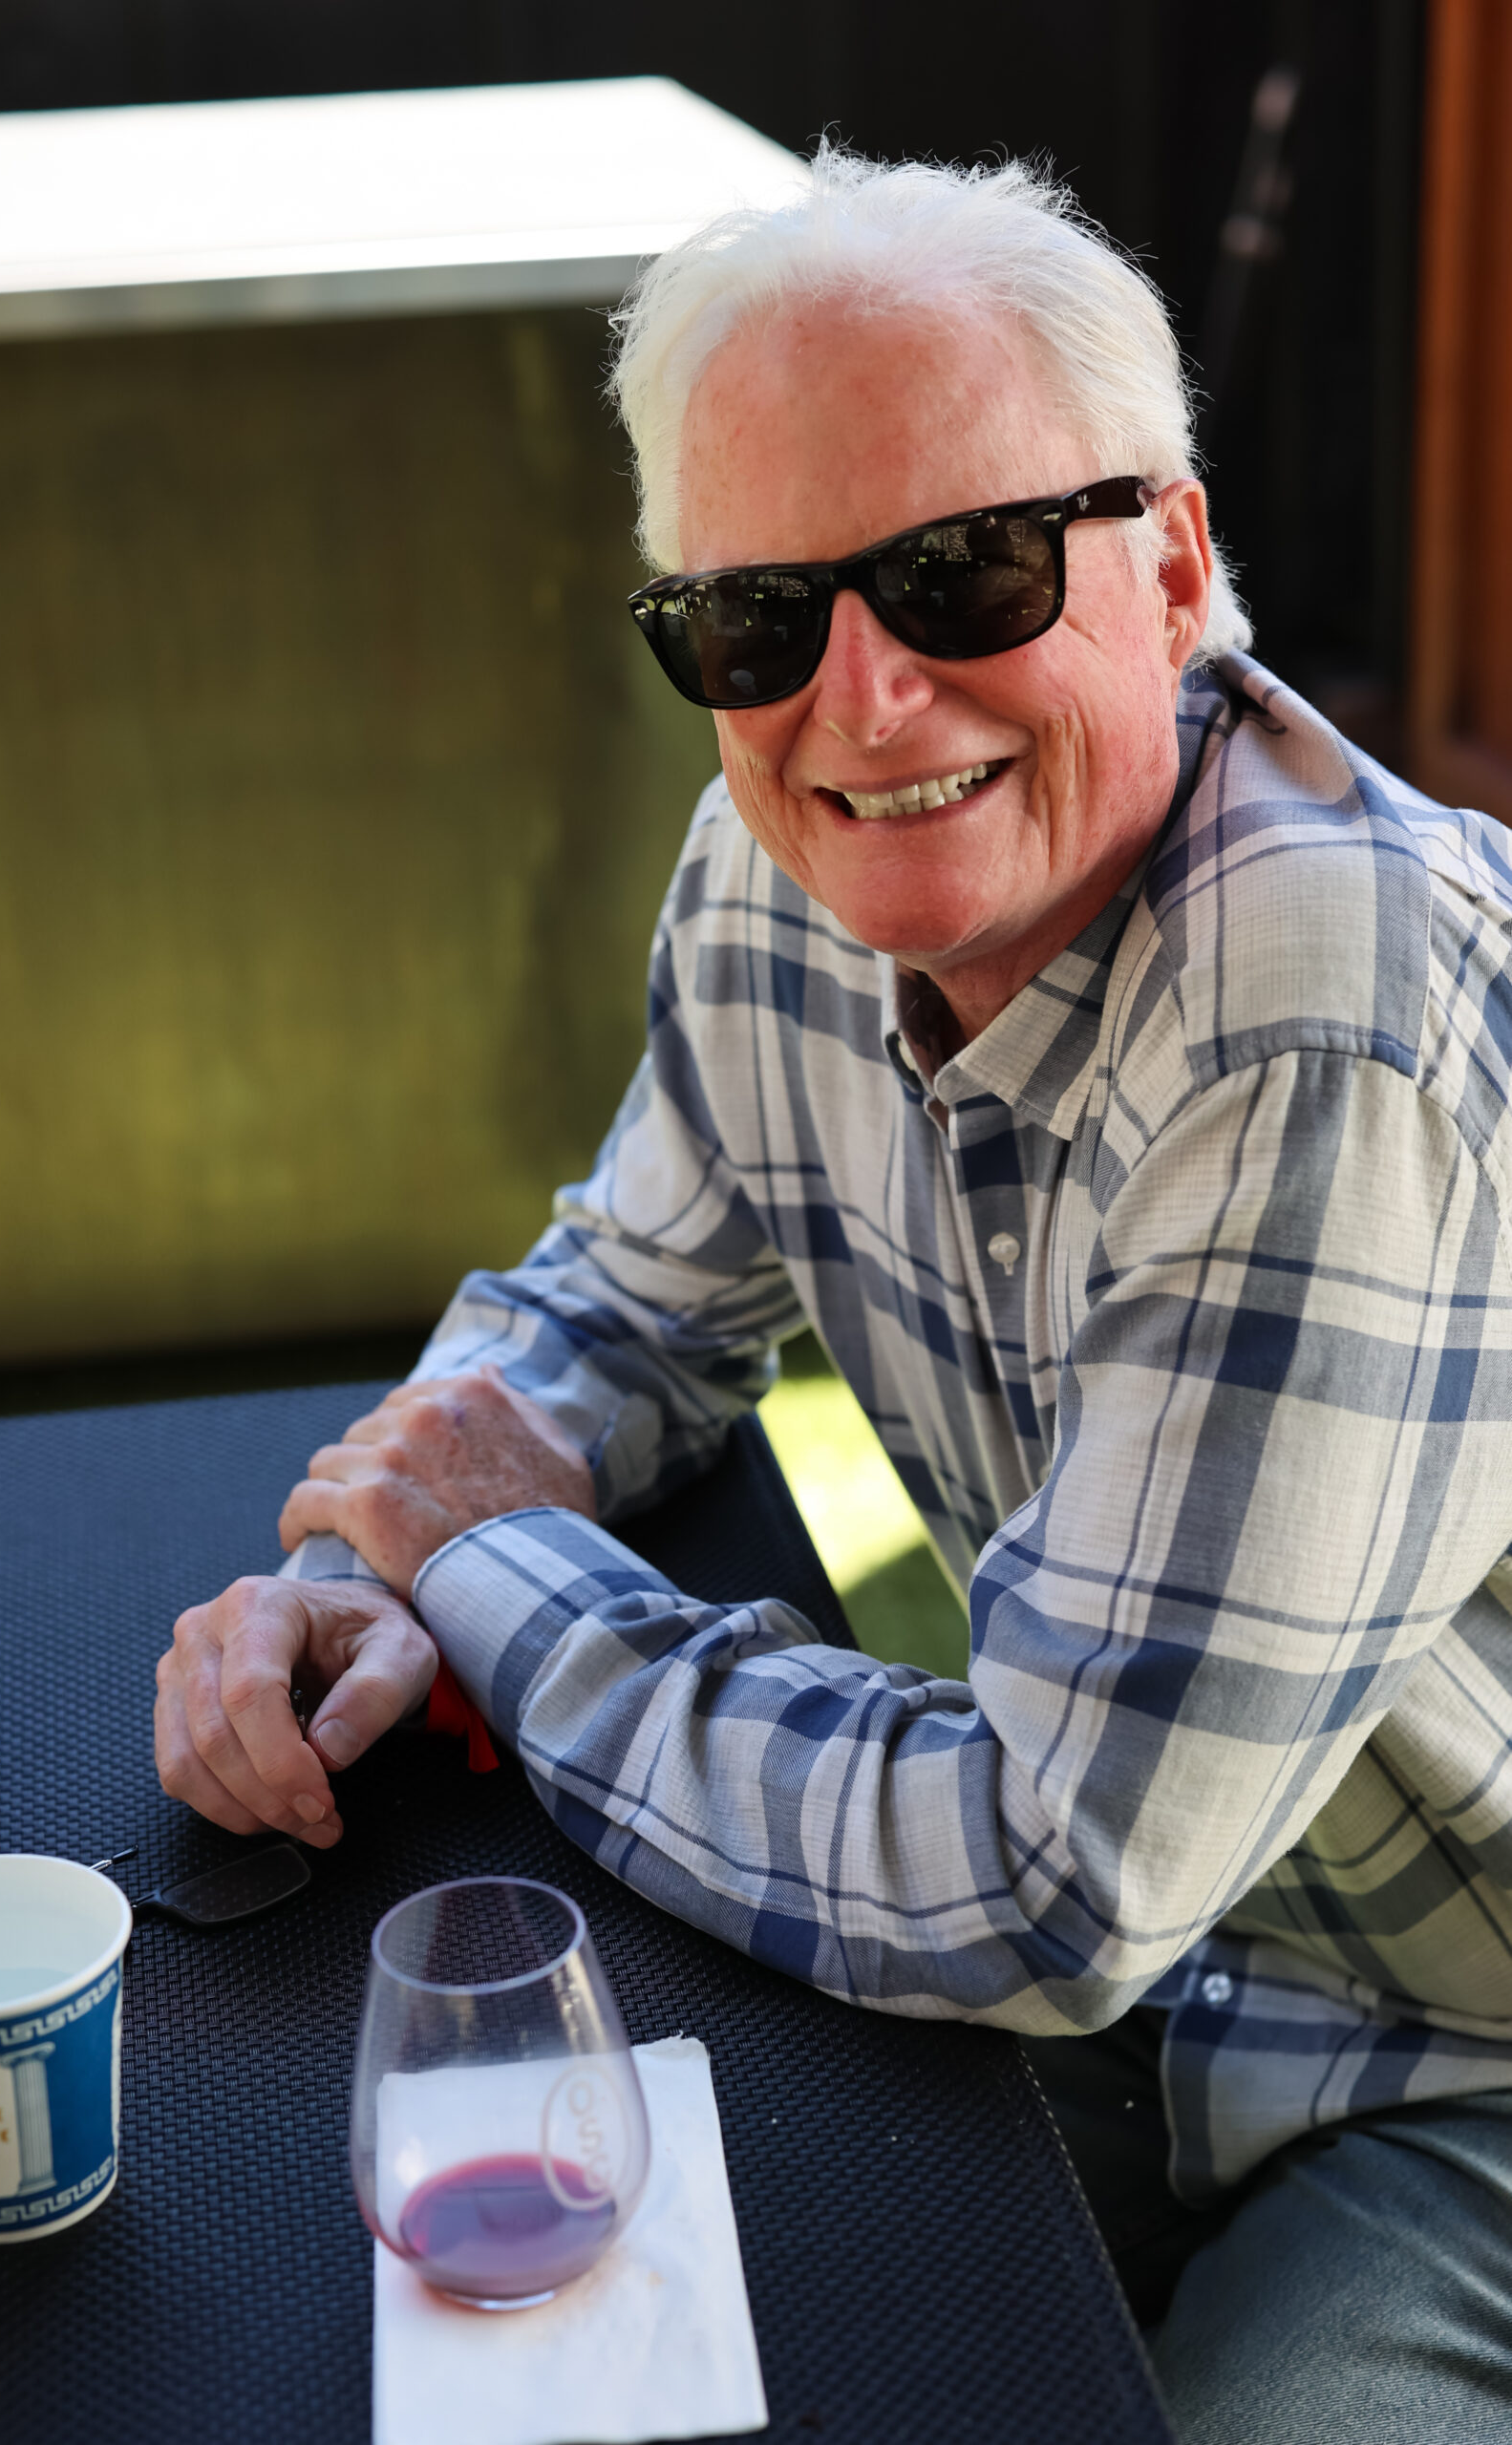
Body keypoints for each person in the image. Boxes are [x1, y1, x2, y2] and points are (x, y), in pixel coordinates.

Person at [154, 151, 1512, 2440]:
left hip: (1457, 2044)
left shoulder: (1326, 1024)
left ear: (1173, 562)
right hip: (1133, 1991)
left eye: (966, 570)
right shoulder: (793, 854)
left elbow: (1048, 1878)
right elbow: (630, 1298)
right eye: (756, 622)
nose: (862, 703)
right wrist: (360, 1566)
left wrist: (487, 1567)